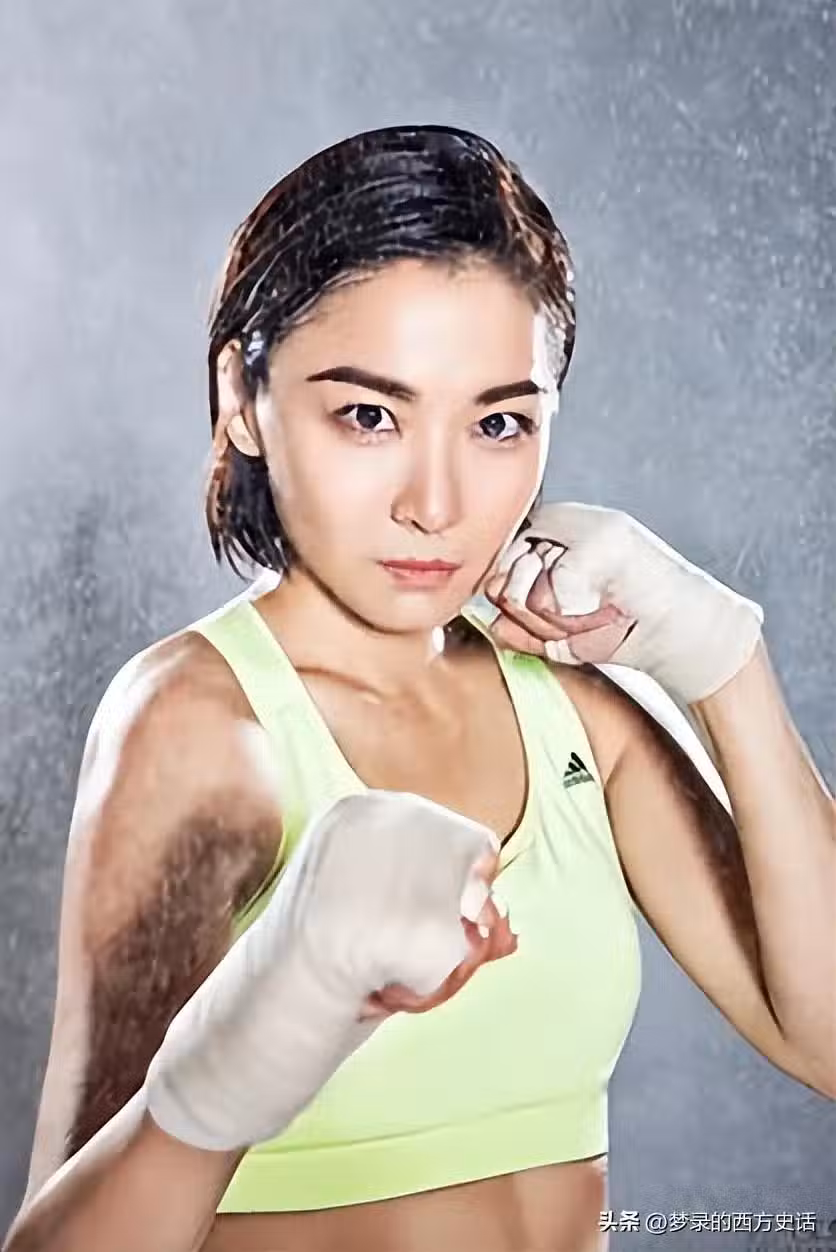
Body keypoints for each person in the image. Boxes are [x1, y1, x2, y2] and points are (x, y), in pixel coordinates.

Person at [4, 124, 834, 1252]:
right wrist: (226, 1072)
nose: (435, 505)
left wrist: (725, 660)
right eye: (369, 415)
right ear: (241, 396)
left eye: (498, 423)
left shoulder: (572, 703)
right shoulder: (201, 726)